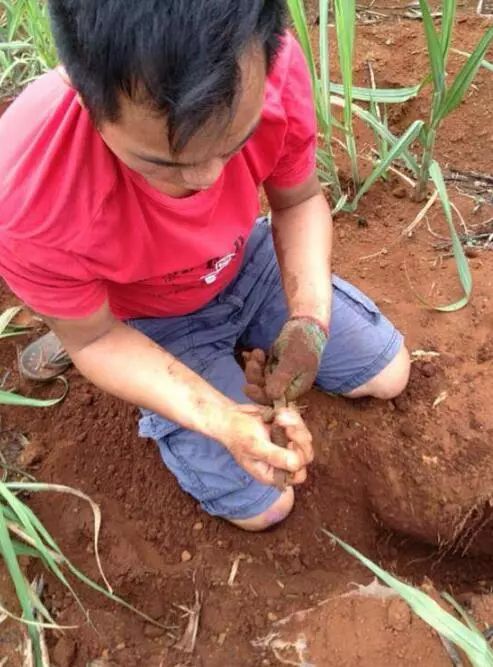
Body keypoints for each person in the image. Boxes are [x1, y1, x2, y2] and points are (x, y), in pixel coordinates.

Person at [0, 0, 410, 532]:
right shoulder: (28, 193)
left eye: (233, 144)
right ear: (84, 95)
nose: (207, 181)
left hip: (245, 261)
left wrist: (308, 321)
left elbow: (297, 202)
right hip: (148, 319)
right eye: (165, 164)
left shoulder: (269, 69)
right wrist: (219, 417)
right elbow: (95, 341)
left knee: (389, 375)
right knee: (265, 505)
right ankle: (71, 310)